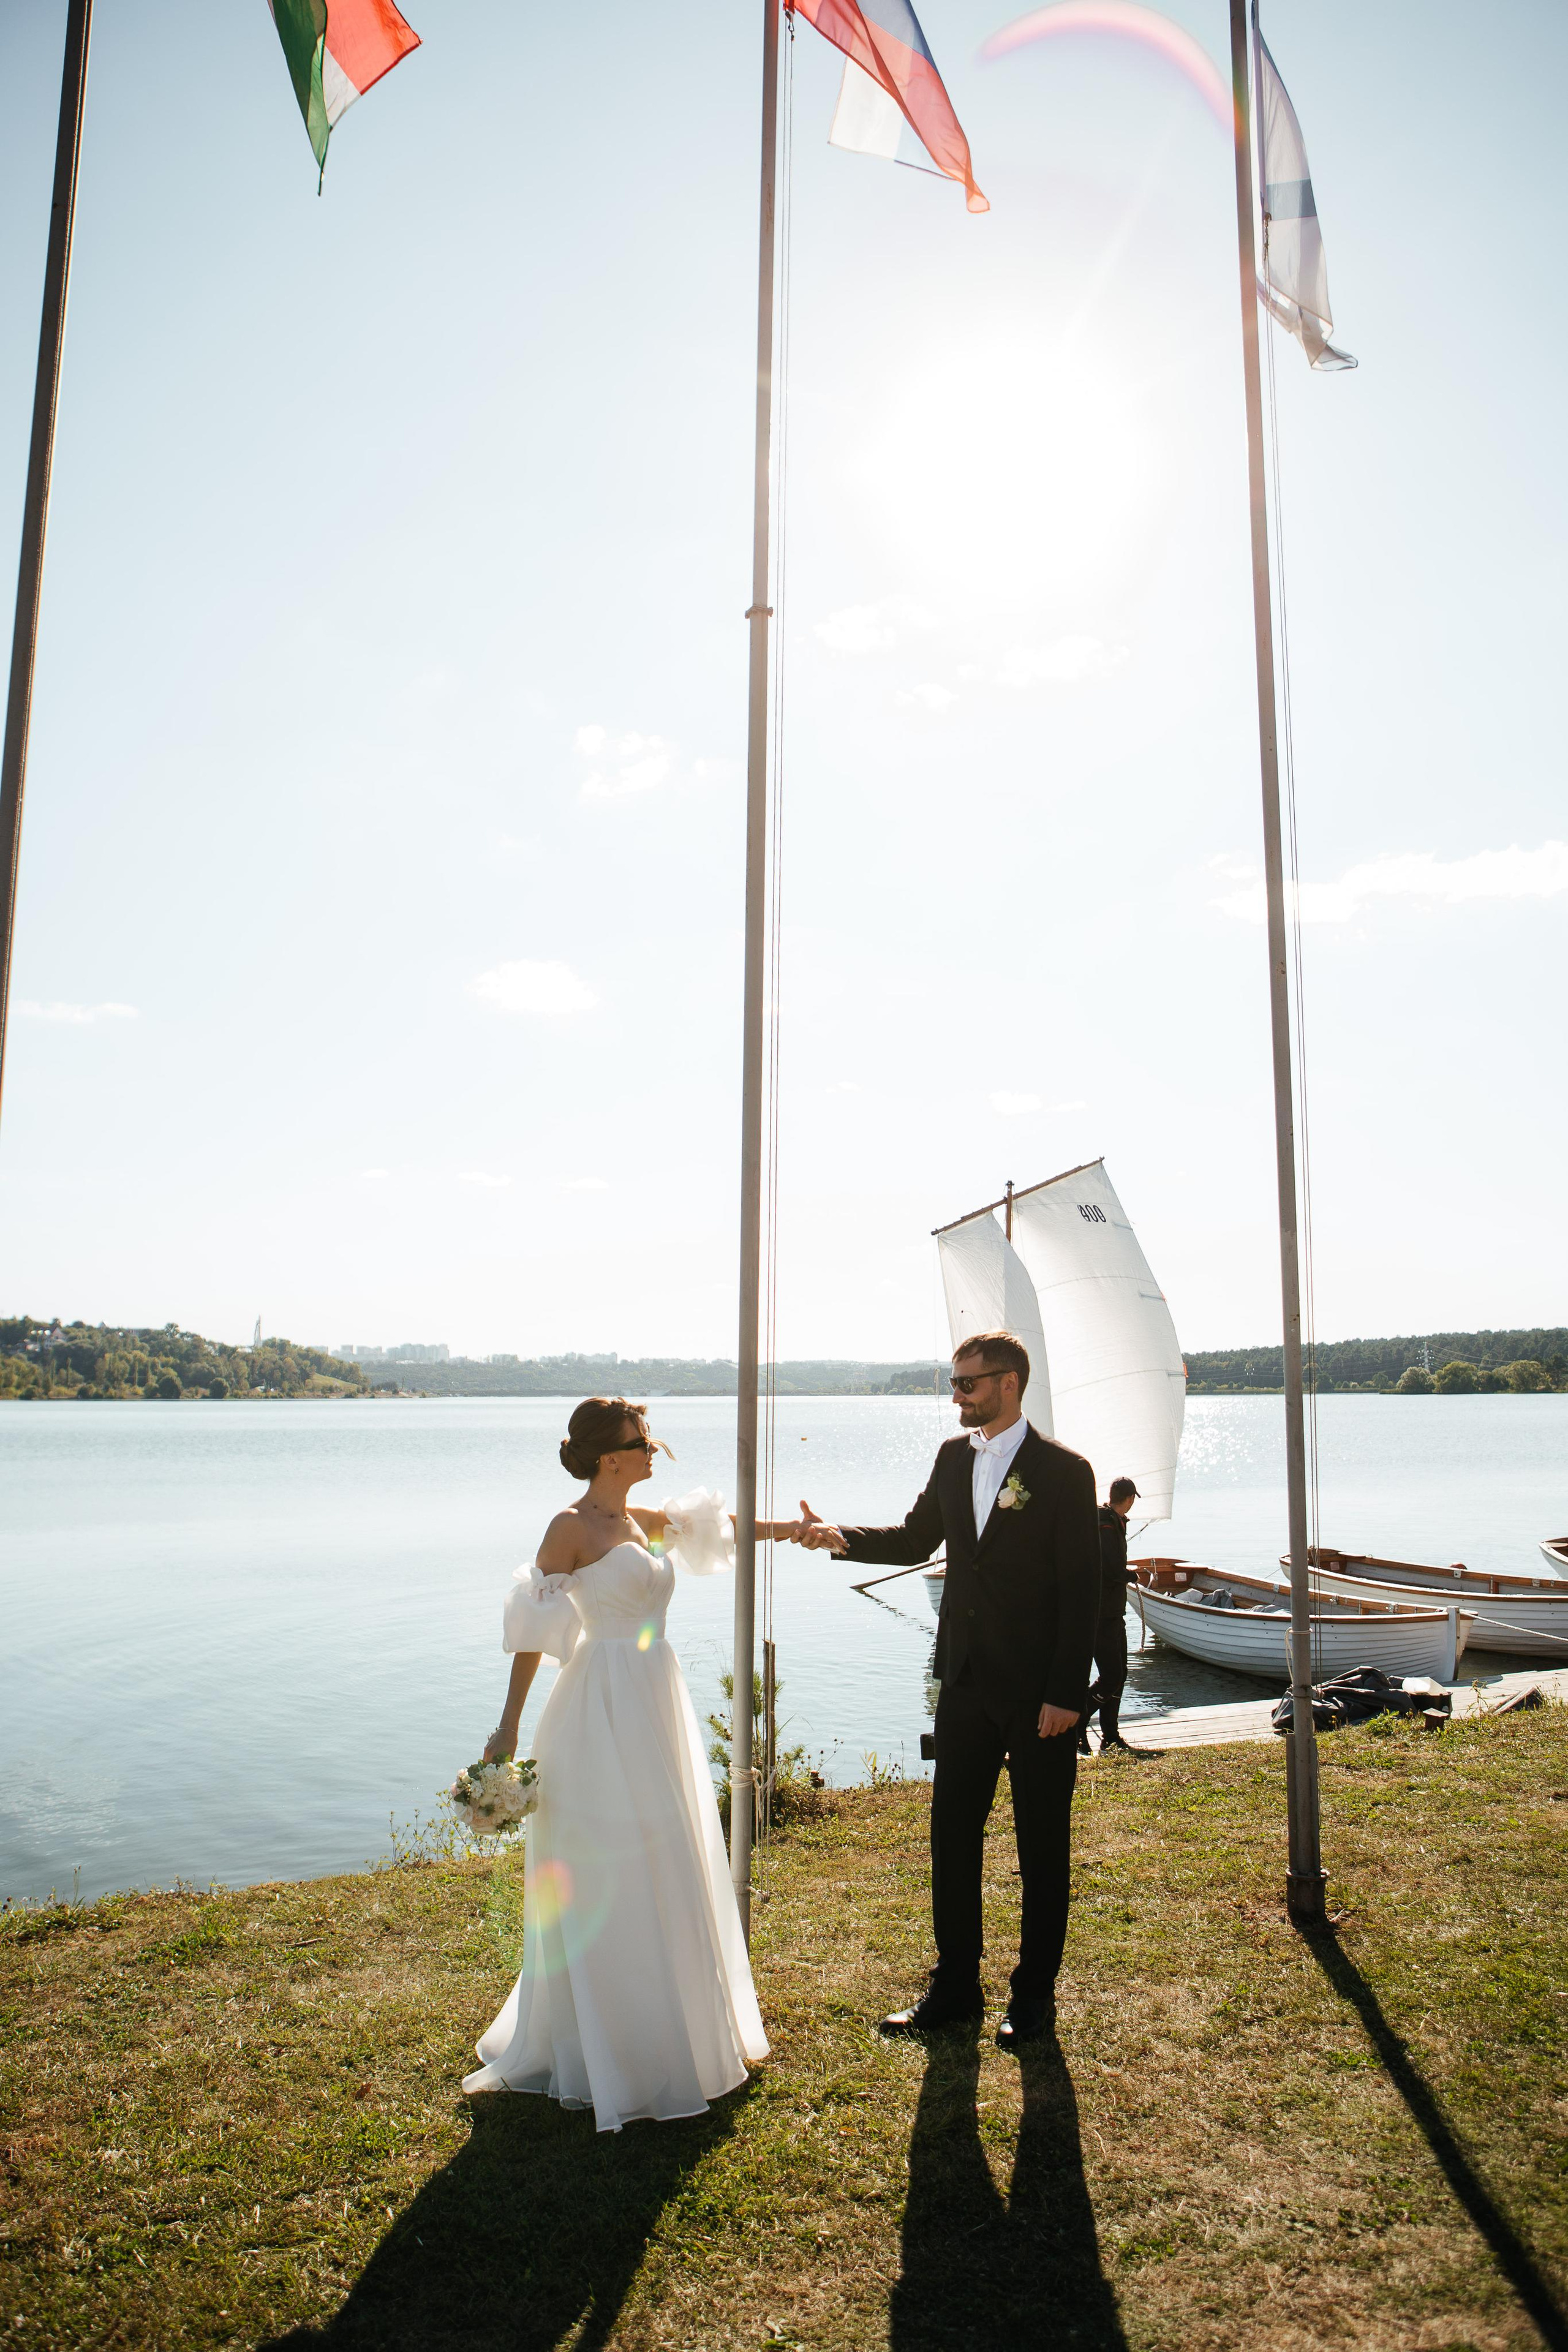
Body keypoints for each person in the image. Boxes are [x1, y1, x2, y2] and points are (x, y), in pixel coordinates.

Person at [464, 1396, 801, 2132]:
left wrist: (799, 1532)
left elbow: (728, 1530)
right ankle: (596, 2044)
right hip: (594, 1704)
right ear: (609, 1456)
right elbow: (532, 1629)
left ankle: (670, 2027)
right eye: (642, 1441)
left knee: (665, 1850)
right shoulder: (571, 1527)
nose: (655, 1450)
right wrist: (507, 1727)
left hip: (654, 1696)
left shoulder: (640, 1524)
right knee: (607, 1862)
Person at [797, 1331, 1099, 2048]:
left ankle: (1034, 1997)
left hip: (1038, 1698)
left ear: (1009, 1385)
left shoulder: (1064, 1471)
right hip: (961, 1683)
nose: (957, 1396)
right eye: (954, 1383)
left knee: (1041, 1846)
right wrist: (835, 1534)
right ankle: (955, 1985)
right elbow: (912, 1540)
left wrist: (1066, 1692)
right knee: (951, 1839)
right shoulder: (950, 1457)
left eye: (967, 1384)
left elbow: (1084, 1591)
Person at [1081, 1477, 1140, 1756]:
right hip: (1102, 1614)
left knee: (1120, 1674)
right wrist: (1132, 1575)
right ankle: (1078, 1721)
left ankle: (1110, 1736)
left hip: (1114, 1612)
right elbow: (1110, 1568)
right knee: (1112, 1676)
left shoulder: (1114, 1522)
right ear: (1129, 1499)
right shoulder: (1105, 1525)